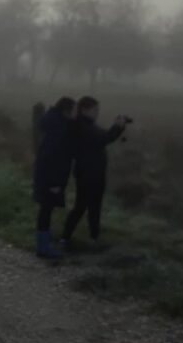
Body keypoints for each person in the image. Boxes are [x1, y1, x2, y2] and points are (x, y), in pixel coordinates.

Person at [62, 97, 127, 249]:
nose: (97, 113)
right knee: (81, 206)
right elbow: (103, 139)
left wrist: (117, 128)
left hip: (94, 172)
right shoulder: (81, 125)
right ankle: (65, 238)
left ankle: (93, 237)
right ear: (85, 110)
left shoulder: (87, 124)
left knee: (94, 207)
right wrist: (117, 127)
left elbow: (104, 137)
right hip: (87, 173)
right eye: (95, 110)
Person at [32, 96, 76, 259]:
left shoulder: (55, 123)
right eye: (74, 110)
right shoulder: (58, 129)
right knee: (46, 210)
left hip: (46, 176)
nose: (76, 114)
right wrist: (54, 182)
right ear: (66, 111)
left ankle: (44, 242)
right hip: (50, 178)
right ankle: (43, 248)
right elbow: (52, 157)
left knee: (46, 209)